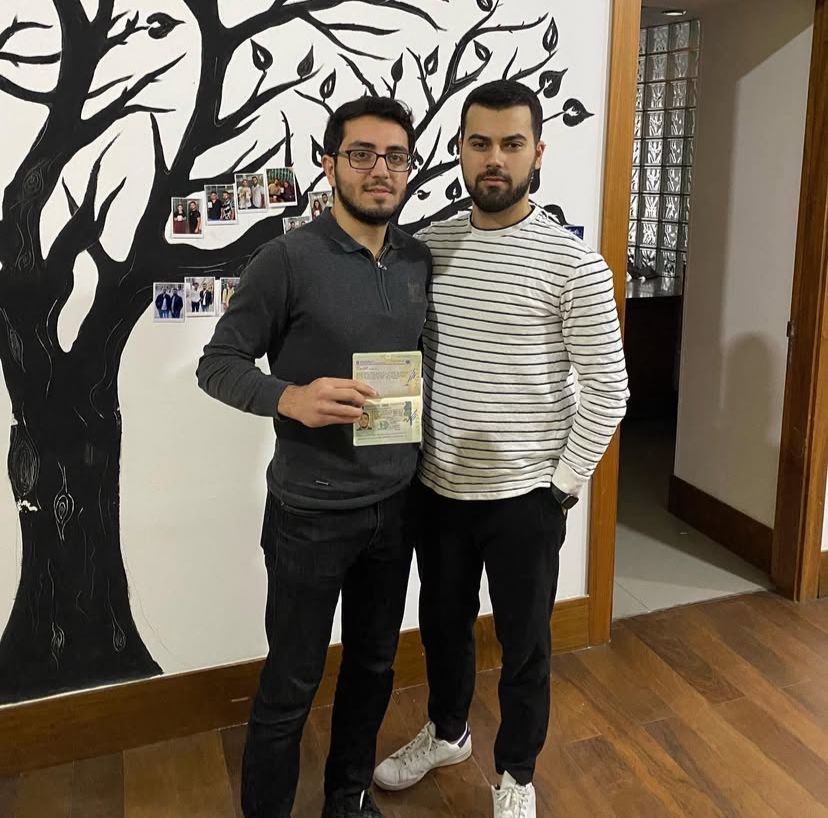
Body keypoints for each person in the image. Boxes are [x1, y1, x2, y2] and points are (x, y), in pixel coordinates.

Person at [373, 80, 629, 818]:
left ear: (537, 152)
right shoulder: (427, 249)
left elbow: (609, 389)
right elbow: (406, 360)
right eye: (479, 142)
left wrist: (563, 485)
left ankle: (516, 773)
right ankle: (448, 732)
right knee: (442, 627)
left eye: (512, 143)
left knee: (525, 647)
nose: (495, 158)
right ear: (458, 150)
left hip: (527, 498)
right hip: (438, 489)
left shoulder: (574, 265)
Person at [197, 96, 430, 818]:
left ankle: (347, 798)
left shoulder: (418, 258)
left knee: (373, 665)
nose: (380, 170)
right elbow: (217, 364)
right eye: (361, 154)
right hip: (309, 513)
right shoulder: (286, 259)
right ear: (329, 166)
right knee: (292, 681)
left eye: (395, 157)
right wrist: (289, 397)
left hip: (396, 505)